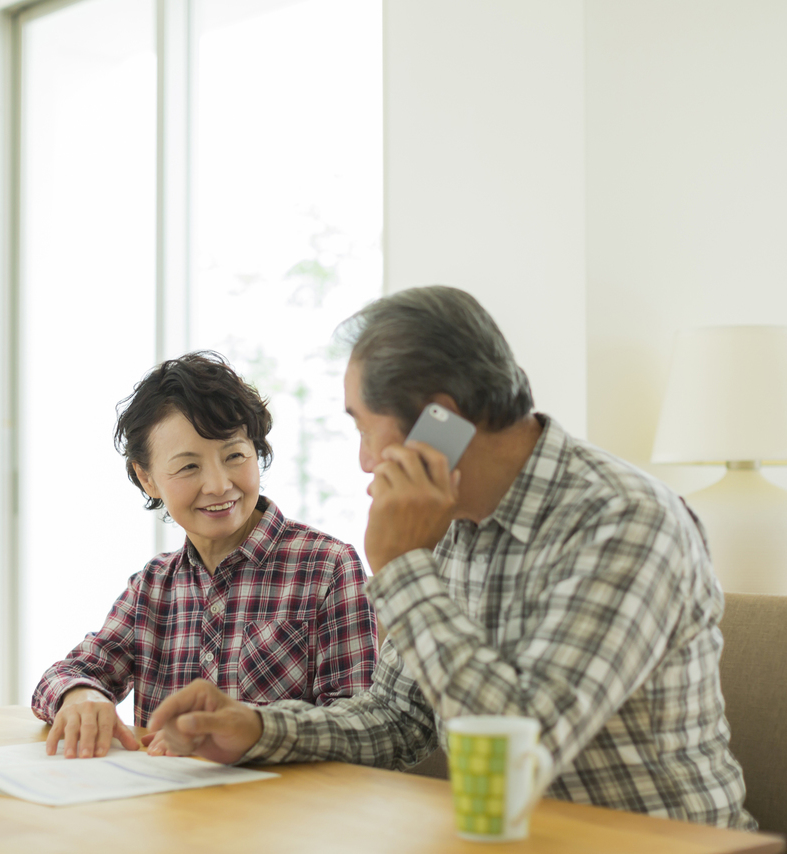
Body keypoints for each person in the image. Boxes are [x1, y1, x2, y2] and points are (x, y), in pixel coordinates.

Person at [143, 287, 755, 830]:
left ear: (441, 418)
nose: (362, 462)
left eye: (363, 428)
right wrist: (258, 728)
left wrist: (403, 568)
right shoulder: (452, 519)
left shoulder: (624, 521)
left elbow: (520, 747)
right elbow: (399, 717)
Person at [32, 351, 378, 759]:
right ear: (147, 478)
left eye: (234, 456)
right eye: (188, 467)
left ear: (258, 450)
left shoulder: (327, 566)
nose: (217, 485)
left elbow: (361, 726)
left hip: (284, 809)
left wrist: (257, 734)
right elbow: (67, 673)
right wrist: (81, 696)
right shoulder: (154, 585)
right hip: (169, 809)